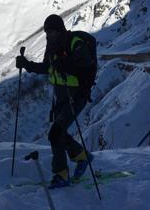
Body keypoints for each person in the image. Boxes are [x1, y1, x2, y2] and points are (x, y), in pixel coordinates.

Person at [16, 14, 97, 189]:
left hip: (76, 95)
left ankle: (61, 174)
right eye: (47, 32)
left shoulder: (75, 42)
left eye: (51, 31)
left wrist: (65, 66)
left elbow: (86, 67)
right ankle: (82, 157)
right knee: (60, 134)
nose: (48, 35)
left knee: (55, 134)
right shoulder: (52, 46)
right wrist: (26, 64)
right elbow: (47, 68)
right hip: (61, 96)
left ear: (60, 29)